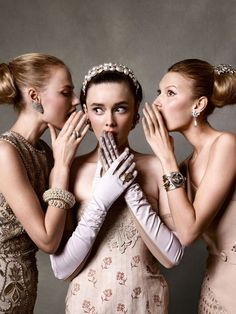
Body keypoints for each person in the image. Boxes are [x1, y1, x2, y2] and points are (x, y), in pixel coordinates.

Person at [50, 62, 184, 313]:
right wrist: (100, 201)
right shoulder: (69, 170)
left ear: (135, 116)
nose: (109, 121)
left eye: (120, 109)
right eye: (98, 109)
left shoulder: (157, 167)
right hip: (86, 305)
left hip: (145, 304)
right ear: (86, 115)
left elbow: (172, 256)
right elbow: (62, 269)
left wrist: (132, 190)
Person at [142, 59, 236, 313]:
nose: (158, 102)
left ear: (198, 104)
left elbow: (189, 232)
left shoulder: (225, 145)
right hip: (213, 289)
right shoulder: (182, 168)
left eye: (170, 93)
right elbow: (174, 241)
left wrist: (165, 157)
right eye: (159, 92)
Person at [0, 52, 89, 313]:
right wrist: (62, 167)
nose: (75, 101)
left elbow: (64, 233)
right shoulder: (5, 152)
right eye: (66, 92)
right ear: (34, 96)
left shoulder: (45, 151)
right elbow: (47, 241)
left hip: (24, 291)